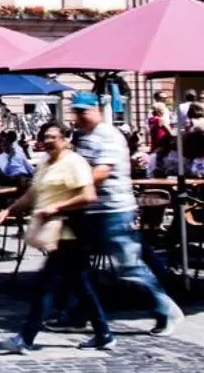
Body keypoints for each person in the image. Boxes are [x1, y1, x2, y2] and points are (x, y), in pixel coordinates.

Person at [69, 92, 184, 334]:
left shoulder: (108, 135)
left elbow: (100, 172)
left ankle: (166, 310)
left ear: (97, 110)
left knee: (129, 266)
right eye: (76, 111)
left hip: (114, 210)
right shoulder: (82, 137)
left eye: (83, 111)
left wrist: (65, 186)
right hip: (89, 210)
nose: (79, 116)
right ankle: (76, 314)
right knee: (74, 264)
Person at [0, 122, 109, 352]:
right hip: (55, 233)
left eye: (52, 137)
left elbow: (89, 196)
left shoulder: (74, 163)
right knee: (80, 285)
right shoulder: (45, 164)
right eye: (44, 137)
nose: (47, 141)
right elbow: (32, 194)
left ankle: (26, 337)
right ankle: (103, 333)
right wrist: (10, 210)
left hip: (70, 231)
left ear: (66, 139)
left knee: (45, 285)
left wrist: (57, 207)